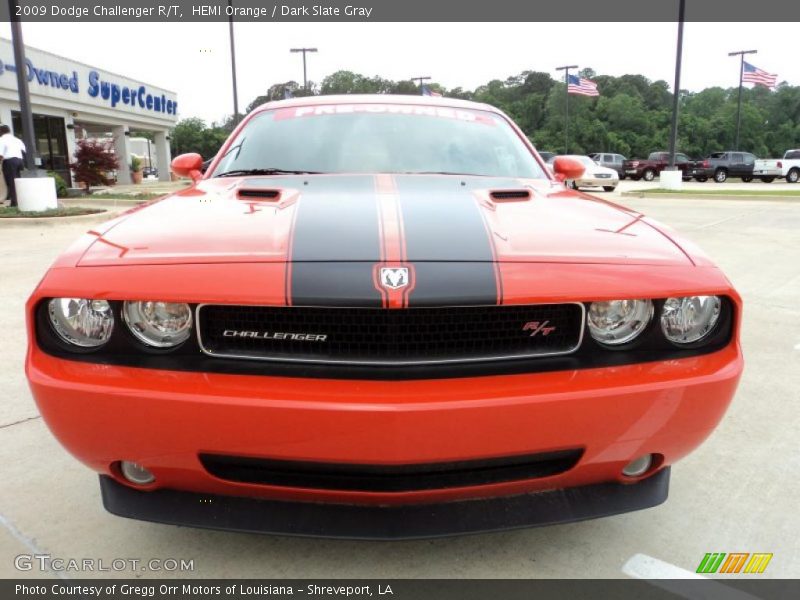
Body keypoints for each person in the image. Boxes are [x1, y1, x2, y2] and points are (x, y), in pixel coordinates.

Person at [0, 124, 26, 207]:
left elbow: (0, 155)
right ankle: (20, 201)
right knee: (18, 181)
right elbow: (24, 151)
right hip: (20, 161)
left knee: (11, 182)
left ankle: (14, 203)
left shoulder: (2, 139)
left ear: (1, 131)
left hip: (10, 162)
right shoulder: (17, 140)